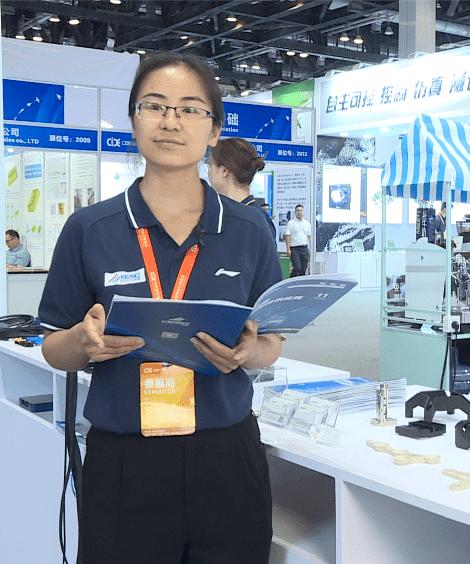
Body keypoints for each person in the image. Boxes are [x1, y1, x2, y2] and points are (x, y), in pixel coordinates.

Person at [38, 53, 281, 564]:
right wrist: (82, 342)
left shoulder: (249, 229)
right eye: (154, 106)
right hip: (126, 461)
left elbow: (270, 343)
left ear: (213, 131)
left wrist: (247, 353)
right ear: (134, 120)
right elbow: (53, 347)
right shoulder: (89, 229)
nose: (171, 121)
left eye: (190, 109)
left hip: (226, 455)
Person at [208, 137, 276, 242]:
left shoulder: (252, 220)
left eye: (210, 165)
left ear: (224, 171)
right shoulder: (233, 214)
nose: (208, 172)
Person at [283, 203, 312, 276]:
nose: (299, 212)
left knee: (303, 269)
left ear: (303, 212)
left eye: (301, 210)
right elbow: (287, 236)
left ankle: (300, 282)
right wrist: (288, 249)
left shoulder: (307, 223)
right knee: (297, 268)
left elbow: (309, 236)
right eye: (298, 211)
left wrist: (310, 249)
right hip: (295, 249)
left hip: (304, 248)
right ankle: (291, 280)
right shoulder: (291, 223)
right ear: (295, 212)